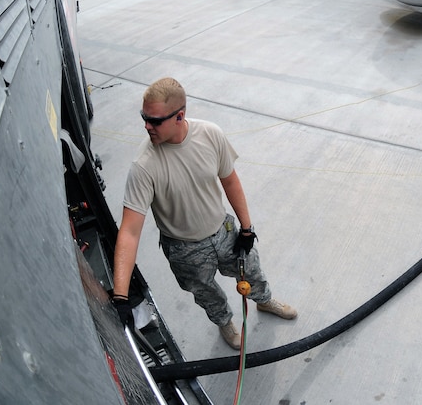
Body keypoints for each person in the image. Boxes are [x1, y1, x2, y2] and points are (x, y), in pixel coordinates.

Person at [111, 77, 295, 350]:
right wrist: (120, 295)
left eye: (154, 120)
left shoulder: (210, 135)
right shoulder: (144, 165)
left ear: (180, 115)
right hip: (184, 249)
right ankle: (225, 323)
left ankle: (265, 300)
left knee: (252, 270)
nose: (146, 126)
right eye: (144, 117)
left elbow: (230, 181)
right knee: (205, 292)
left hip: (223, 231)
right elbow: (129, 231)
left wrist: (246, 228)